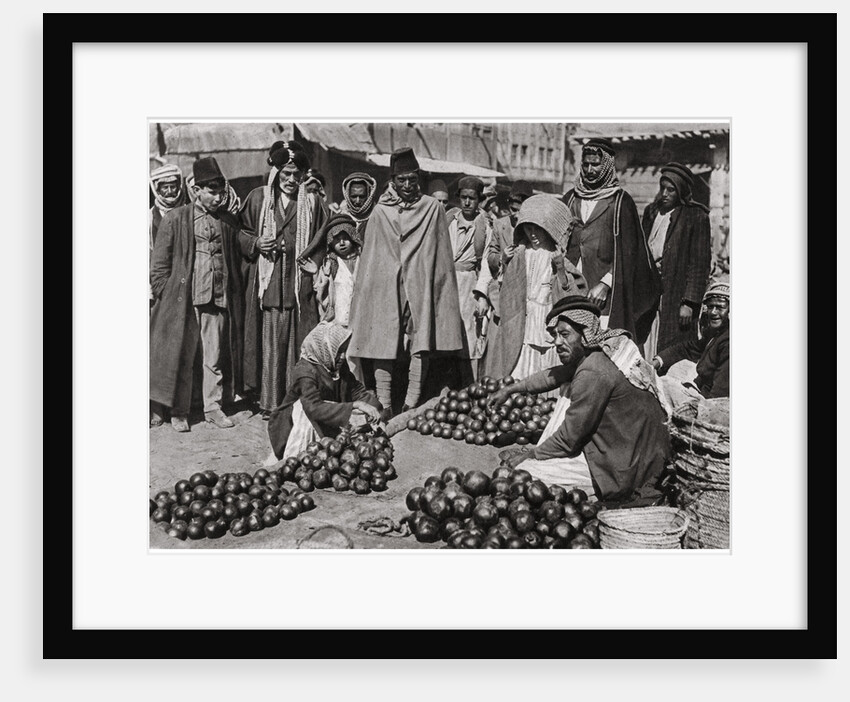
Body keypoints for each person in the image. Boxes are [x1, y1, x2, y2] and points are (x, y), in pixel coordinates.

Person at [488, 295, 671, 507]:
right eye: (555, 335)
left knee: (524, 474)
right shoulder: (601, 354)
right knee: (568, 382)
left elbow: (568, 440)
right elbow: (554, 375)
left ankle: (601, 494)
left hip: (625, 470)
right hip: (633, 455)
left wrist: (531, 454)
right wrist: (510, 389)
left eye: (565, 334)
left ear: (585, 334)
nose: (557, 342)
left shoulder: (593, 371)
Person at [347, 146, 464, 419]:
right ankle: (385, 403)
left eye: (412, 179)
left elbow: (441, 257)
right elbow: (371, 259)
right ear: (393, 180)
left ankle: (411, 402)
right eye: (402, 180)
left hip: (420, 284)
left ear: (419, 178)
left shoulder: (432, 209)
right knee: (381, 339)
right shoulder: (380, 212)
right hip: (386, 286)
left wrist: (434, 289)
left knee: (420, 340)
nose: (408, 185)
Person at [150, 157, 245, 432]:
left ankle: (212, 407)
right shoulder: (176, 218)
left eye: (220, 192)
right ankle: (179, 412)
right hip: (184, 300)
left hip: (216, 296)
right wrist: (168, 293)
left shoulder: (227, 220)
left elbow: (241, 244)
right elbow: (159, 266)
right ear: (196, 190)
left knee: (213, 356)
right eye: (212, 192)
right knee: (184, 356)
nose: (217, 198)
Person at [239, 141, 327, 418]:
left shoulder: (312, 202)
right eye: (285, 173)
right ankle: (269, 402)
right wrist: (256, 243)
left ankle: (295, 401)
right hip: (269, 285)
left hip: (298, 286)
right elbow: (240, 232)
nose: (290, 179)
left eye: (296, 174)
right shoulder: (258, 198)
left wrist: (315, 263)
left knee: (297, 344)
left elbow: (324, 236)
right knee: (270, 344)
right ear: (276, 172)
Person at [561, 138, 661, 346]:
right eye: (585, 164)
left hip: (603, 297)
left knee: (600, 349)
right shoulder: (570, 198)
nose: (589, 170)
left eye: (595, 164)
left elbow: (630, 254)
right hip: (569, 290)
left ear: (607, 165)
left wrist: (606, 284)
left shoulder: (620, 201)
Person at [484, 195, 586, 387]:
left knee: (545, 368)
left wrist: (560, 268)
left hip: (546, 322)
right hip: (521, 322)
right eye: (528, 228)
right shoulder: (520, 254)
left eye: (537, 229)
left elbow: (572, 295)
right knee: (520, 364)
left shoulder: (557, 257)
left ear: (549, 229)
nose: (532, 234)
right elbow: (505, 289)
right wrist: (505, 262)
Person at [267, 322, 383, 460]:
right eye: (339, 351)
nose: (343, 356)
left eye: (344, 350)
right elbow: (313, 408)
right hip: (292, 426)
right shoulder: (304, 370)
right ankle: (298, 456)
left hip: (325, 419)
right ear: (325, 349)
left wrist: (376, 408)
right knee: (304, 411)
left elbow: (355, 390)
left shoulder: (335, 363)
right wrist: (356, 405)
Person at [641, 162, 712, 360]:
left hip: (676, 292)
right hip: (649, 291)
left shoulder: (695, 216)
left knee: (673, 346)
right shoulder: (652, 212)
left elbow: (700, 265)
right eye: (662, 188)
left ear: (680, 191)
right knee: (648, 341)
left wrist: (689, 302)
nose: (664, 194)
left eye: (670, 190)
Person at [443, 176, 492, 383]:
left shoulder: (485, 226)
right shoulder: (449, 220)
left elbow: (487, 262)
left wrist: (482, 295)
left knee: (469, 334)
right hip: (446, 281)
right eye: (463, 197)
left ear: (479, 200)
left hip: (469, 282)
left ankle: (468, 384)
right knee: (445, 332)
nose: (467, 202)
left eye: (472, 198)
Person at [653, 279, 730, 408]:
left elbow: (718, 397)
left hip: (709, 405)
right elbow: (687, 348)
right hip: (701, 394)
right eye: (710, 307)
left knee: (662, 386)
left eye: (720, 307)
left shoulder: (728, 343)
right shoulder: (715, 334)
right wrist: (657, 361)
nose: (713, 312)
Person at [484, 180, 534, 322]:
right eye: (513, 209)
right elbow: (490, 256)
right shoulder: (500, 225)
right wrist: (502, 258)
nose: (515, 215)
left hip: (526, 290)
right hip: (502, 288)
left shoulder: (533, 228)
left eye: (520, 211)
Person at [307, 213, 362, 328]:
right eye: (337, 240)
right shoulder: (331, 264)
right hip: (339, 321)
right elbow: (321, 290)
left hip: (361, 319)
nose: (341, 243)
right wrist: (316, 273)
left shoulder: (363, 260)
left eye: (345, 238)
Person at [339, 171, 378, 241]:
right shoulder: (340, 215)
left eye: (362, 197)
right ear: (347, 196)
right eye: (353, 196)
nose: (357, 201)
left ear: (369, 195)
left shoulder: (378, 215)